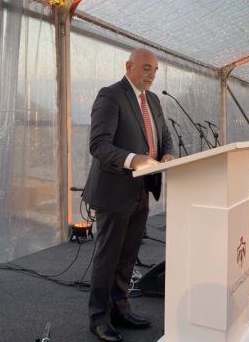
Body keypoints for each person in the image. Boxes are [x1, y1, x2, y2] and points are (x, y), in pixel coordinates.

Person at [82, 48, 174, 342]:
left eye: (155, 70)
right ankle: (99, 317)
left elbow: (164, 135)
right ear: (129, 66)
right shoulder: (110, 96)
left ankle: (120, 308)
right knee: (108, 256)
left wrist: (167, 153)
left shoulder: (153, 100)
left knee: (128, 254)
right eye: (146, 68)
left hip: (142, 189)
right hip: (114, 190)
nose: (152, 74)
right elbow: (98, 144)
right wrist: (133, 159)